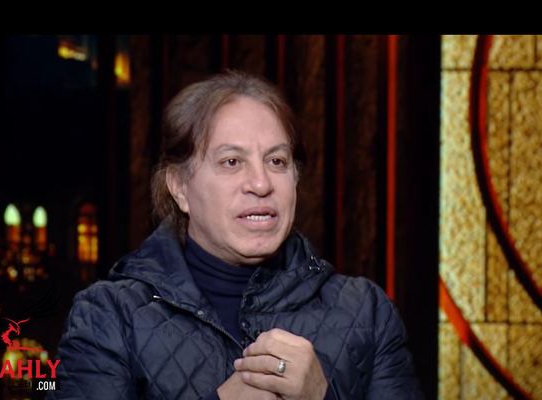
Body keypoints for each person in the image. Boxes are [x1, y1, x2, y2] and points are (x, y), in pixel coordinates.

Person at [49, 70, 424, 400]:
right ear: (179, 186)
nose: (261, 183)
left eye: (277, 161)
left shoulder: (366, 313)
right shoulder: (109, 317)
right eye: (232, 162)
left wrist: (322, 397)